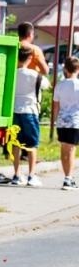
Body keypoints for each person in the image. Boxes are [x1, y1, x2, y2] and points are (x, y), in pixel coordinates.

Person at [5, 44, 46, 186]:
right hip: (30, 111)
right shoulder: (35, 75)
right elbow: (46, 84)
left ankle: (16, 174)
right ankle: (31, 175)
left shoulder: (12, 74)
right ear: (30, 58)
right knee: (32, 144)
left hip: (15, 111)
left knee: (16, 144)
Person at [55, 55, 79, 190]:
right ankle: (68, 179)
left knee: (64, 149)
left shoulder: (60, 85)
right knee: (71, 150)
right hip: (75, 121)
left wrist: (55, 121)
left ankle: (66, 176)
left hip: (62, 121)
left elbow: (56, 105)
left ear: (65, 69)